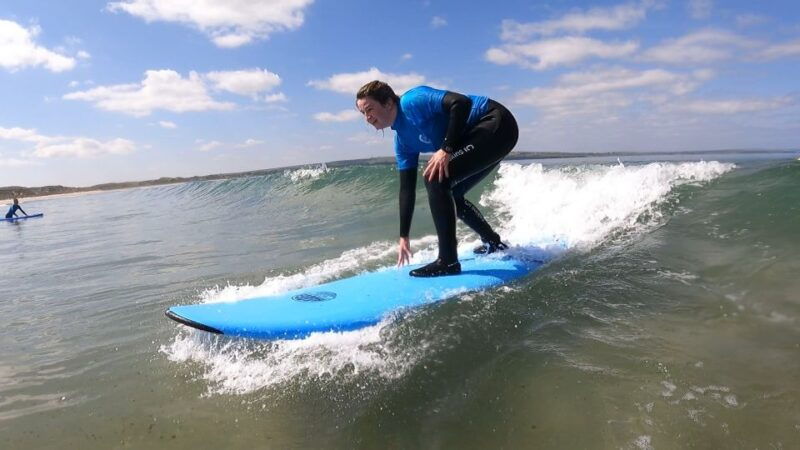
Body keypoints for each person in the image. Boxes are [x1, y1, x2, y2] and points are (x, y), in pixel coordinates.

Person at [355, 81, 518, 277]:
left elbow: (461, 102)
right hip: (484, 139)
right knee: (453, 194)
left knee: (435, 178)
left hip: (496, 123)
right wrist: (404, 236)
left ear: (388, 103)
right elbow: (406, 190)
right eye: (363, 113)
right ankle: (493, 242)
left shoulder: (412, 101)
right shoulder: (402, 142)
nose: (367, 118)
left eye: (369, 109)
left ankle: (448, 261)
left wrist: (446, 149)